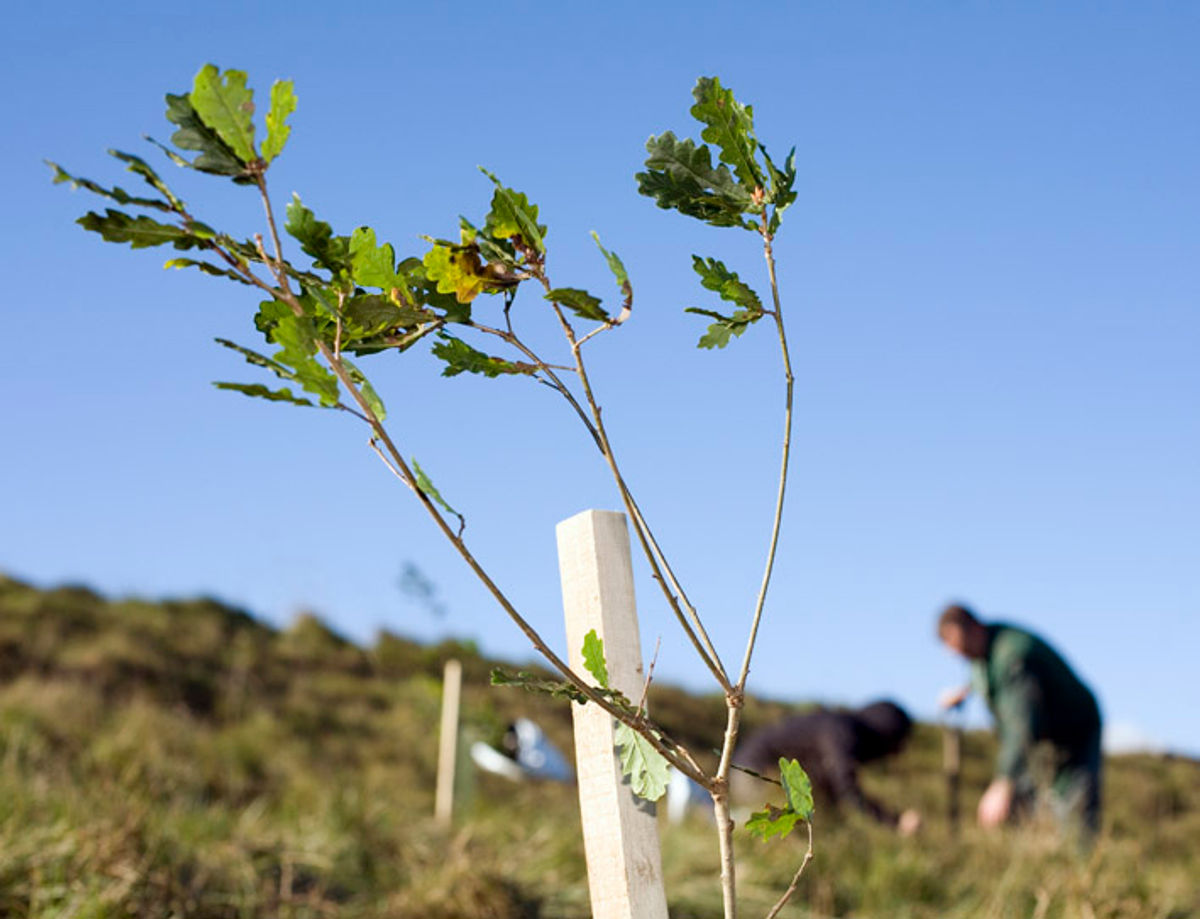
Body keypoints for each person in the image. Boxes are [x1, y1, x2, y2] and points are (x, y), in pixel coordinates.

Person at [936, 603, 1102, 838]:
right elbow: (989, 671)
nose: (958, 654)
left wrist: (1004, 782)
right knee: (1029, 803)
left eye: (961, 646)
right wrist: (966, 690)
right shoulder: (987, 646)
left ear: (974, 628)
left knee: (1074, 808)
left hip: (1073, 731)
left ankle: (1078, 857)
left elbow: (1021, 724)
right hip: (1043, 736)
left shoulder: (1013, 656)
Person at [733, 700, 921, 835]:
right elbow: (846, 789)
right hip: (754, 773)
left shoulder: (839, 727)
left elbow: (831, 788)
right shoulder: (842, 732)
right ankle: (733, 822)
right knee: (777, 826)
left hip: (753, 771)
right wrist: (894, 822)